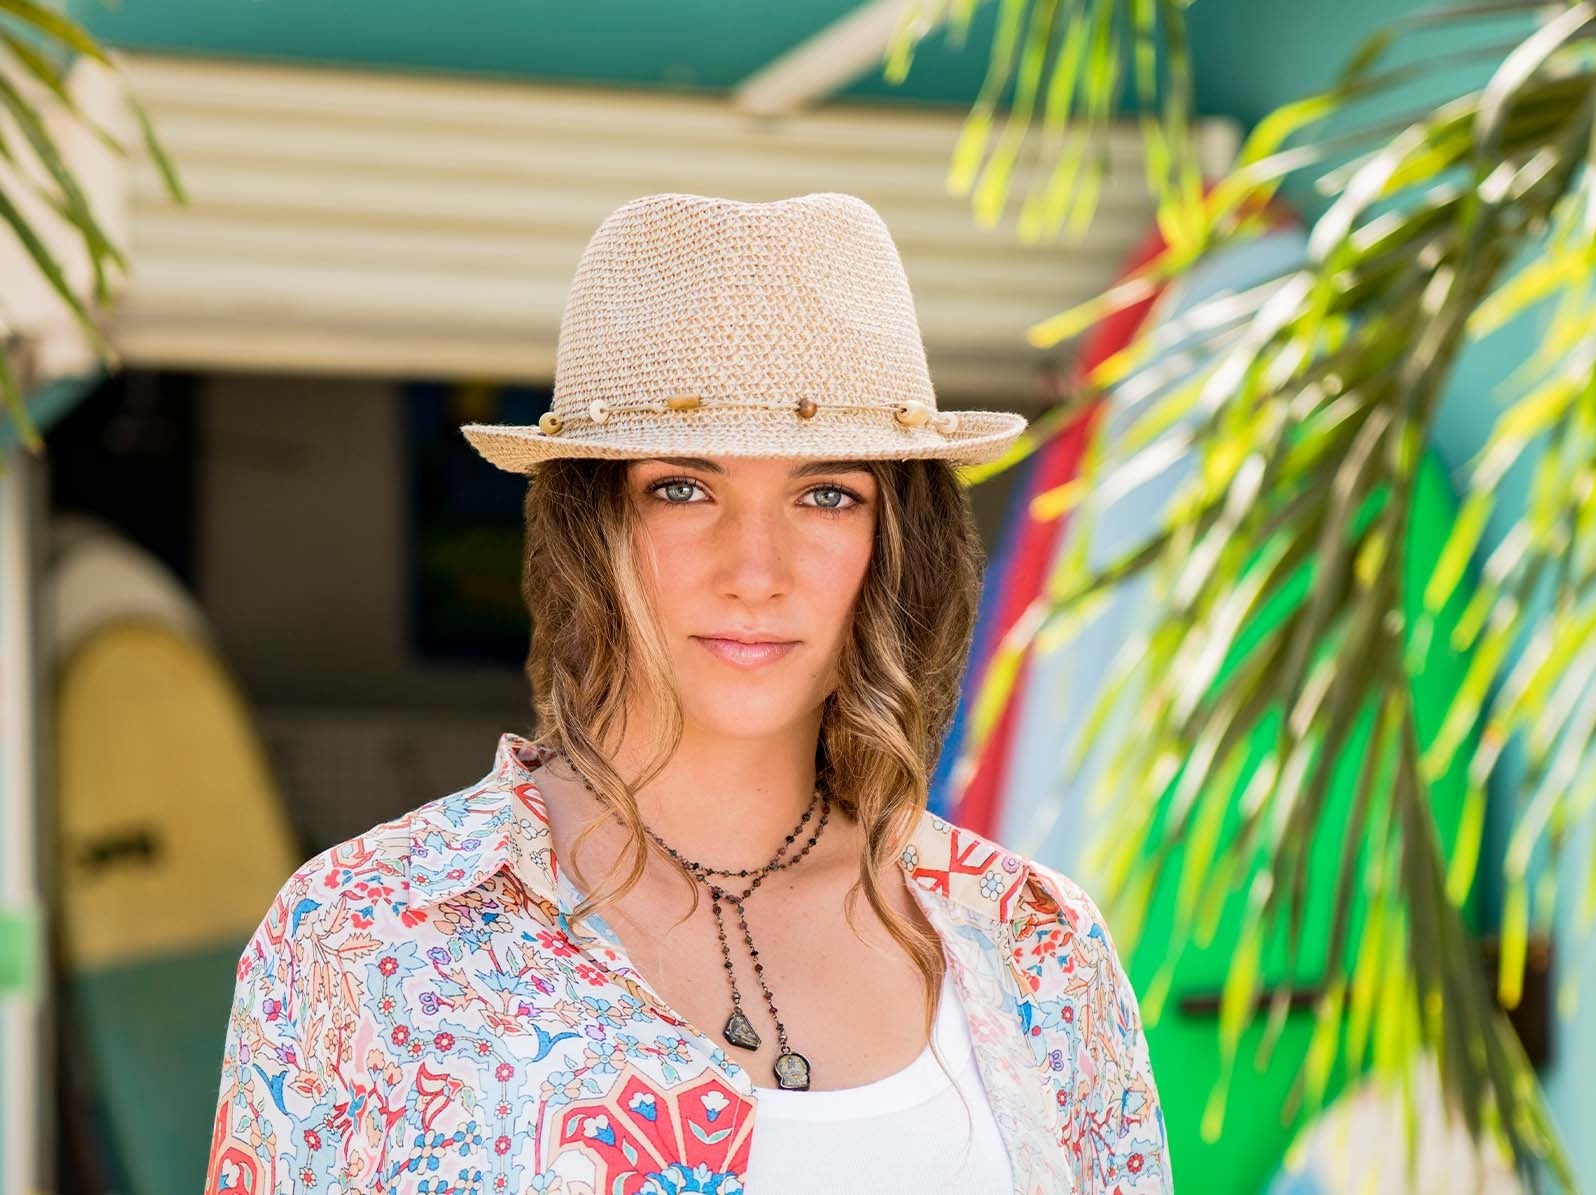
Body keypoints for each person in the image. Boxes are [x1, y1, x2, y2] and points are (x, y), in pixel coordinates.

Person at [201, 191, 1172, 1194]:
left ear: (894, 547)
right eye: (683, 488)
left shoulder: (1034, 941)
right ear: (590, 529)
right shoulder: (363, 939)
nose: (754, 569)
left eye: (826, 493)